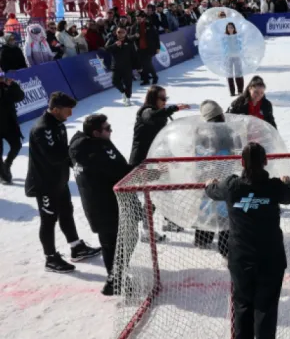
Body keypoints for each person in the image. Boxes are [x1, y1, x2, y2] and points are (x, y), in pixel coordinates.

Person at [205, 142, 290, 339]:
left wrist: (209, 184)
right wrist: (286, 183)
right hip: (270, 259)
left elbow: (212, 192)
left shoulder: (231, 186)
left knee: (243, 305)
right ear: (265, 161)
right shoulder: (274, 186)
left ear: (242, 162)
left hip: (241, 259)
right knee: (265, 308)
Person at [25, 92, 101, 273]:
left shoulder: (58, 124)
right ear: (56, 109)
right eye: (68, 110)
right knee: (48, 219)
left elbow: (65, 155)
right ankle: (50, 258)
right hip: (44, 184)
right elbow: (54, 156)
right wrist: (76, 147)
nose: (71, 114)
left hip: (59, 180)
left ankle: (76, 247)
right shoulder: (42, 128)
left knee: (67, 212)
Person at [69, 114, 134, 295]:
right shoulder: (94, 151)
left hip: (103, 205)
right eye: (107, 128)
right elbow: (120, 172)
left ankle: (116, 277)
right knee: (114, 244)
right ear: (96, 133)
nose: (111, 130)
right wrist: (149, 172)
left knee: (117, 242)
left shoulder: (87, 145)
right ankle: (114, 282)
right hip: (104, 207)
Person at [129, 85, 189, 233]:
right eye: (162, 98)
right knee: (152, 195)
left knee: (166, 190)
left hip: (157, 158)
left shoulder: (160, 114)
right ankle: (146, 229)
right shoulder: (146, 111)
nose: (165, 101)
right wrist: (174, 108)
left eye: (166, 98)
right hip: (143, 161)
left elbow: (161, 138)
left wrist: (170, 156)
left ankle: (169, 221)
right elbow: (151, 117)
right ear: (153, 98)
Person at [194, 100, 239, 253]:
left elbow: (198, 157)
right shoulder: (226, 132)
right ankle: (224, 246)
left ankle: (203, 239)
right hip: (221, 176)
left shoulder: (202, 133)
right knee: (222, 209)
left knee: (208, 208)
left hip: (209, 177)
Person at [0, 76, 24, 184]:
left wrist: (13, 86)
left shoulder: (6, 86)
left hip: (9, 124)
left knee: (17, 145)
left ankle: (7, 164)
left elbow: (20, 97)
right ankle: (3, 174)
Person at [106, 27, 137, 106]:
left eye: (122, 32)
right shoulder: (112, 39)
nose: (120, 34)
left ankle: (128, 98)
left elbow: (134, 54)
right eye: (119, 32)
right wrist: (114, 45)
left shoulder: (129, 41)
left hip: (127, 66)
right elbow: (106, 49)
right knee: (114, 81)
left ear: (125, 32)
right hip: (116, 66)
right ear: (116, 33)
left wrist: (138, 66)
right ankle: (123, 92)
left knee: (128, 83)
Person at [131, 11, 160, 85]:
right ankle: (146, 79)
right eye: (137, 19)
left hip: (149, 48)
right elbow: (129, 37)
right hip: (140, 49)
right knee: (144, 65)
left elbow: (156, 37)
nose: (138, 20)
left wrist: (158, 47)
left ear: (143, 18)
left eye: (139, 18)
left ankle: (154, 77)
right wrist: (134, 36)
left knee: (148, 64)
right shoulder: (134, 27)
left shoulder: (149, 25)